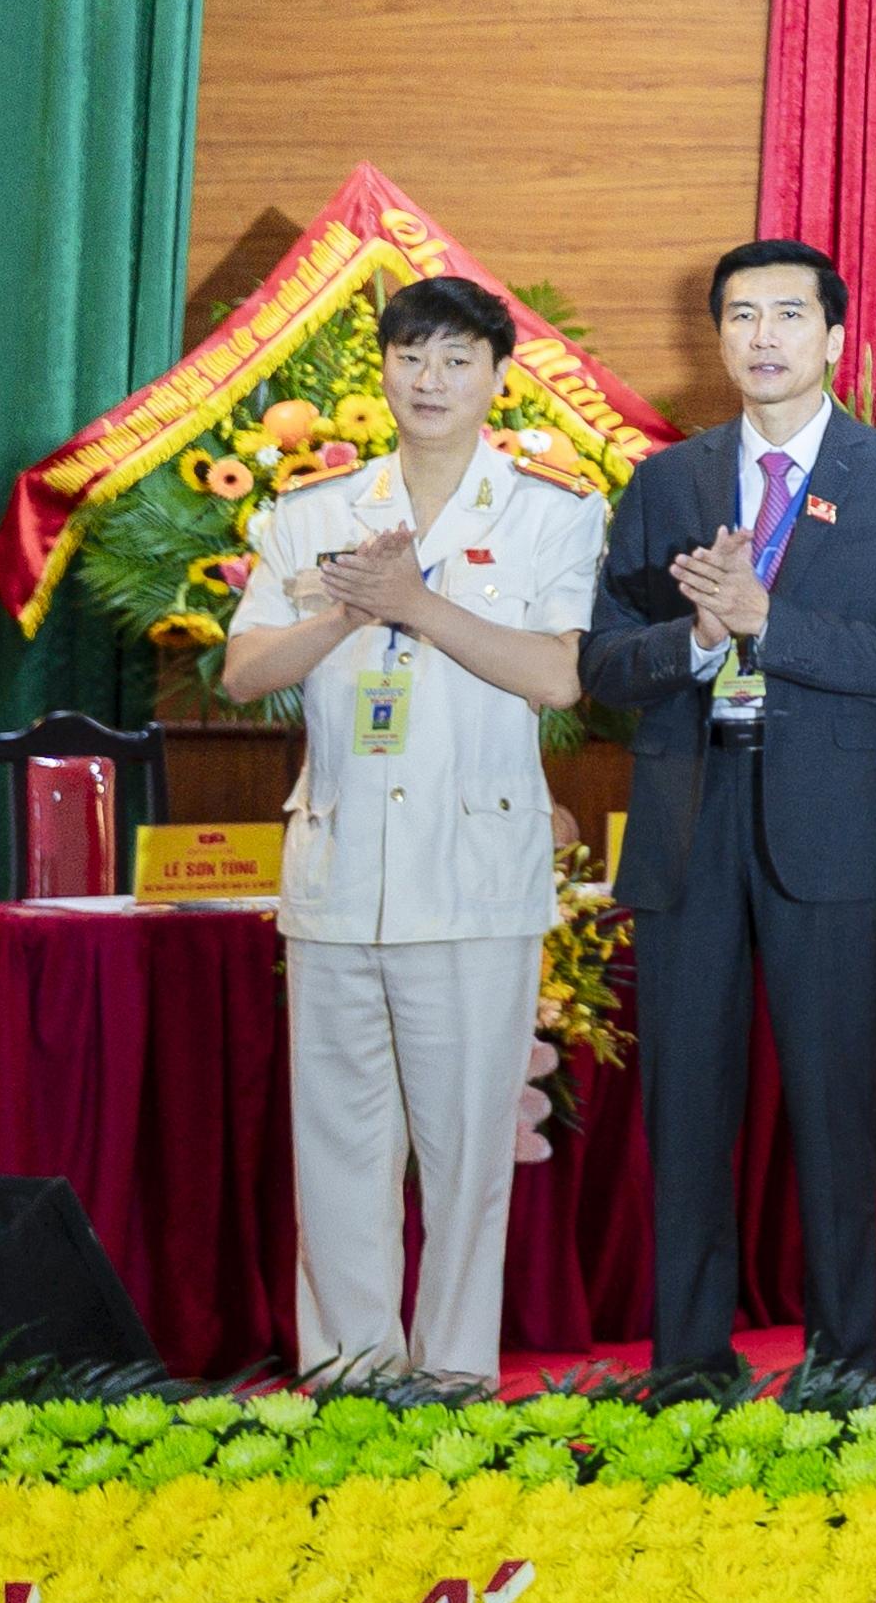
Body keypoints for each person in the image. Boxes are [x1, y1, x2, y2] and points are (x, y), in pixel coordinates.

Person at [581, 240, 876, 1394]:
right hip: (687, 820)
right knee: (686, 1110)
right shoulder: (668, 481)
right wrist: (700, 638)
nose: (764, 336)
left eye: (789, 314)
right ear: (718, 335)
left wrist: (768, 621)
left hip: (832, 828)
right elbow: (604, 663)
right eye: (742, 315)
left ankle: (843, 1366)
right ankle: (689, 1368)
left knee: (835, 1113)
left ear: (835, 337)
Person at [212, 273, 601, 1391]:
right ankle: (350, 1374)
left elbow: (556, 676)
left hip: (473, 873)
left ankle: (456, 1378)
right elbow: (244, 673)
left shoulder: (551, 511)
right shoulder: (313, 510)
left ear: (496, 376)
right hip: (338, 870)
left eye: (456, 360)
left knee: (468, 1152)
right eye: (410, 356)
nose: (430, 380)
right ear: (382, 369)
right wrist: (349, 609)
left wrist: (417, 602)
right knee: (337, 1146)